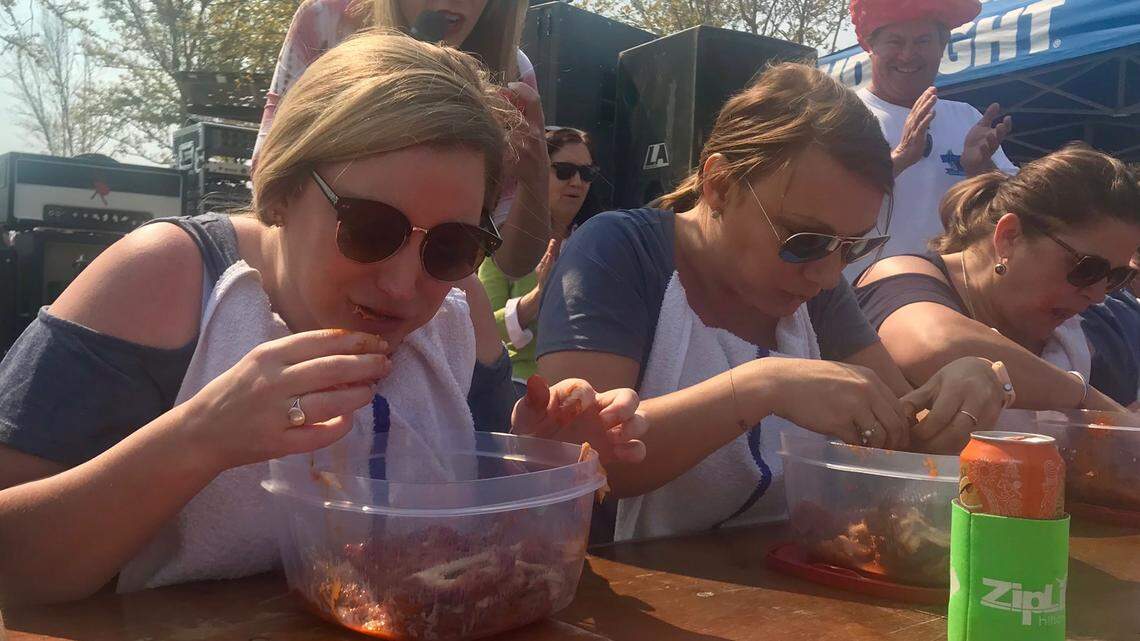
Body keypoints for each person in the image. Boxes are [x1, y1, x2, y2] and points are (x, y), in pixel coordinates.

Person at [0, 34, 646, 605]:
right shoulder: (166, 278)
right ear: (282, 190)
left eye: (450, 246)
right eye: (368, 227)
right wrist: (199, 437)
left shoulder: (461, 311)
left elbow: (466, 532)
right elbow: (14, 563)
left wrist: (534, 453)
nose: (402, 284)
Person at [523, 63, 1006, 542]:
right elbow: (581, 461)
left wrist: (962, 386)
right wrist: (760, 386)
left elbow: (900, 426)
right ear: (721, 185)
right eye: (804, 239)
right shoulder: (618, 251)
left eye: (853, 246)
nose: (826, 274)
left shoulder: (820, 283)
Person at [258, 0, 550, 278]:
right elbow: (268, 181)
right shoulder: (327, 22)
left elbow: (513, 263)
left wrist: (536, 177)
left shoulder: (513, 74)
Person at [855, 144, 1140, 414]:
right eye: (1087, 269)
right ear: (1009, 237)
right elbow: (937, 344)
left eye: (1116, 276)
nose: (1099, 294)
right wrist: (1088, 401)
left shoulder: (1097, 334)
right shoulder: (901, 277)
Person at [848, 0, 1017, 270]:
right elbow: (815, 207)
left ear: (942, 48)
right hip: (863, 298)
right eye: (895, 41)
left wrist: (983, 170)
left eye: (923, 41)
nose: (907, 55)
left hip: (954, 292)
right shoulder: (843, 116)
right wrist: (899, 160)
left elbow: (1013, 210)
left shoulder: (967, 118)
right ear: (870, 47)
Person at [479, 127, 598, 392]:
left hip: (583, 387)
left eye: (587, 173)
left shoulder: (598, 243)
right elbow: (483, 331)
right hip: (520, 385)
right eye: (565, 171)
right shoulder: (504, 243)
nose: (577, 182)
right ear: (539, 174)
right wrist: (537, 297)